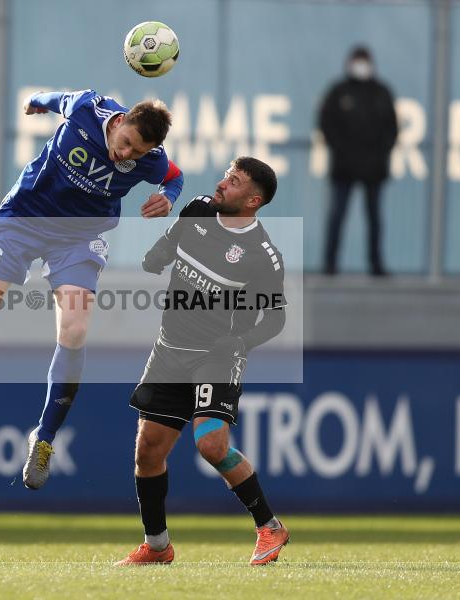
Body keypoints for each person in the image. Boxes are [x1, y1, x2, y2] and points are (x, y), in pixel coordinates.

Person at [0, 89, 184, 491]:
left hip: (79, 237)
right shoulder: (88, 108)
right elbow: (53, 97)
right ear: (120, 122)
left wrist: (168, 196)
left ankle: (44, 439)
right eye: (125, 144)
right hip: (22, 219)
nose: (126, 156)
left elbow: (173, 176)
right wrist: (37, 101)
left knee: (74, 329)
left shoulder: (149, 158)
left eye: (137, 153)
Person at [116, 157, 289, 566]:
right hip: (170, 349)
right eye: (226, 176)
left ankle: (269, 526)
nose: (222, 183)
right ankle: (157, 546)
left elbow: (277, 317)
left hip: (215, 356)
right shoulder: (197, 209)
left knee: (210, 444)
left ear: (253, 200)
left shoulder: (263, 254)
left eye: (234, 181)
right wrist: (158, 252)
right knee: (147, 451)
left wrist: (240, 343)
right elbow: (173, 240)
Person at [318, 45, 398, 277]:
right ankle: (330, 264)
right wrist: (341, 150)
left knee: (374, 218)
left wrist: (379, 154)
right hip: (344, 167)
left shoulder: (381, 92)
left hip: (374, 168)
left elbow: (392, 129)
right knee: (337, 215)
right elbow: (326, 123)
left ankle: (376, 264)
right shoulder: (339, 91)